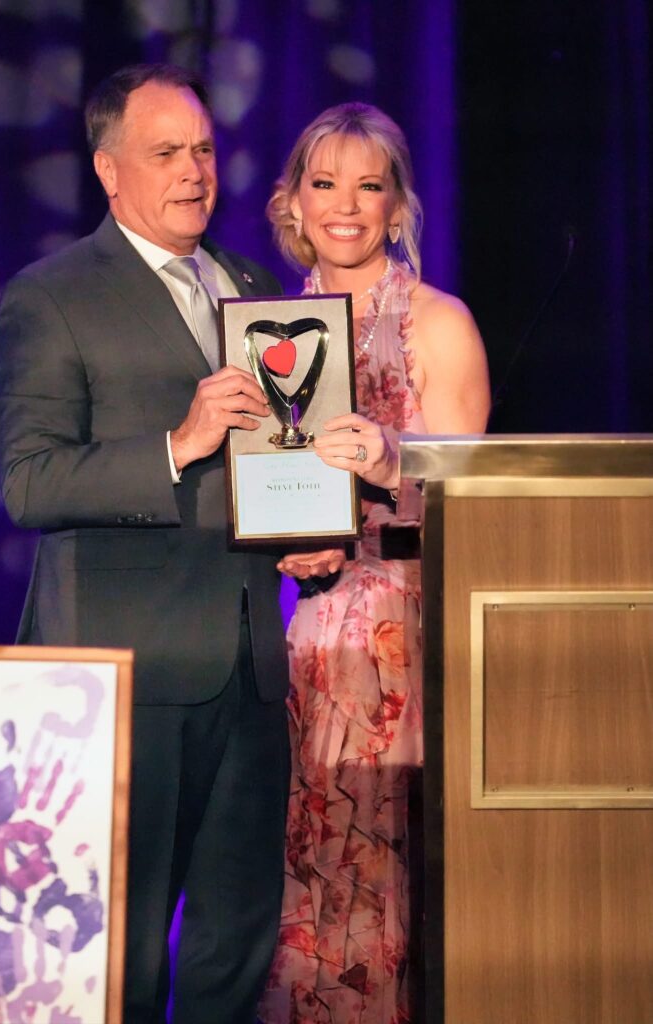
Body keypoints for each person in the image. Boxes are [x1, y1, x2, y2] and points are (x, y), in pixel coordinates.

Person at [0, 63, 337, 1024]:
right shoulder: (51, 296)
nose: (193, 172)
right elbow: (31, 483)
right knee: (126, 947)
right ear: (109, 170)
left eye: (202, 151)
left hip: (247, 669)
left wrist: (306, 539)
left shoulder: (256, 287)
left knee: (236, 936)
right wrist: (176, 446)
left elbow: (278, 466)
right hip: (124, 678)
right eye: (164, 154)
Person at [258, 104, 491, 1024]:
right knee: (309, 858)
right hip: (306, 633)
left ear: (397, 207)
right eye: (325, 183)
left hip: (404, 632)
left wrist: (390, 464)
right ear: (293, 205)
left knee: (388, 867)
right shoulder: (266, 329)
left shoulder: (437, 324)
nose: (345, 205)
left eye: (369, 185)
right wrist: (281, 539)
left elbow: (477, 505)